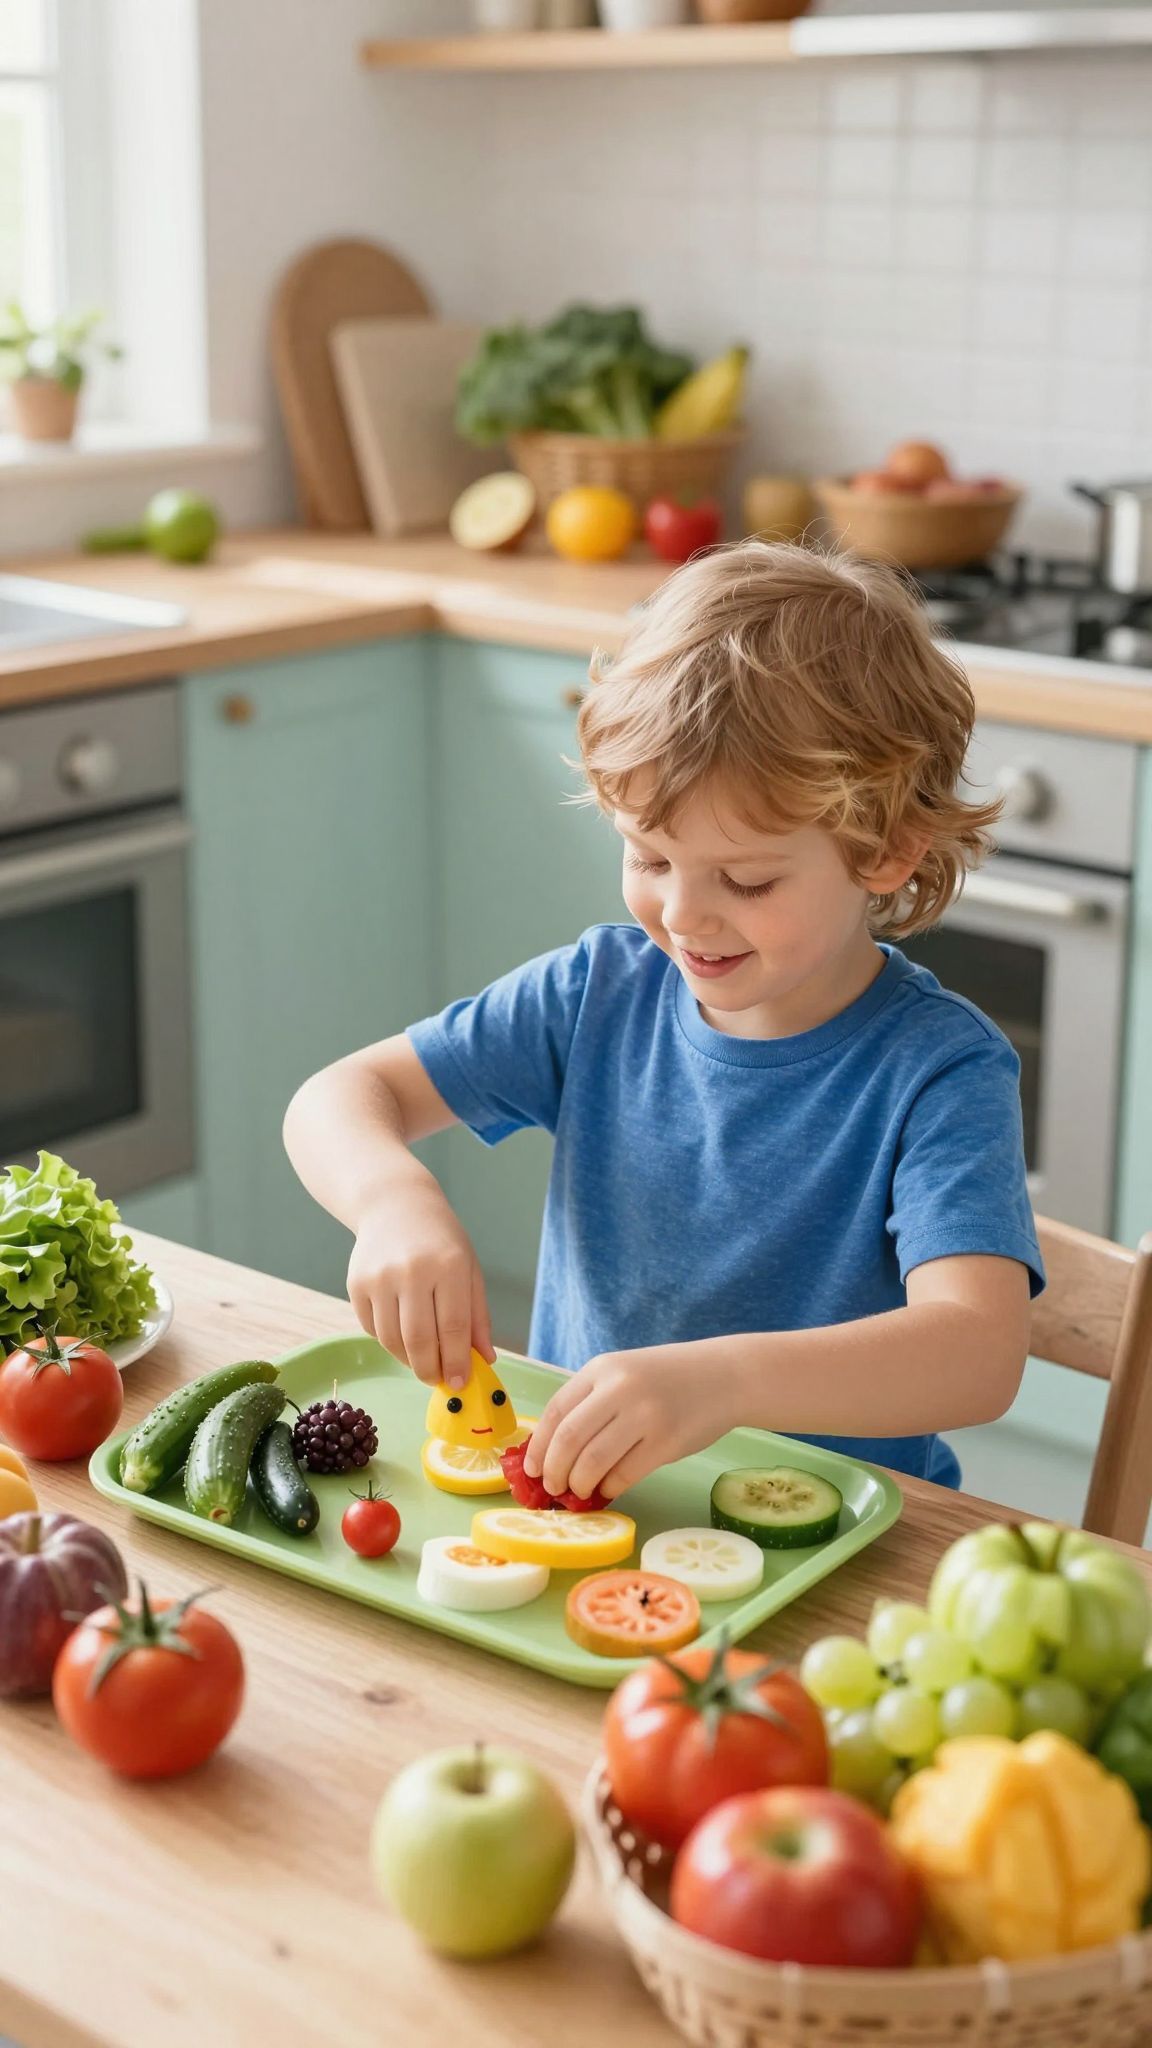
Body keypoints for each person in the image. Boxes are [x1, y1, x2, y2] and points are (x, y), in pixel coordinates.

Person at [283, 541, 1042, 1504]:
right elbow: (338, 1097)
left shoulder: (938, 1070)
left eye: (748, 878)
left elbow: (978, 1353)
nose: (684, 915)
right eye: (649, 857)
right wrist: (394, 1200)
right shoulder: (599, 991)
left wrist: (728, 1384)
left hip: (832, 1543)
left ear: (888, 851)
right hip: (592, 1506)